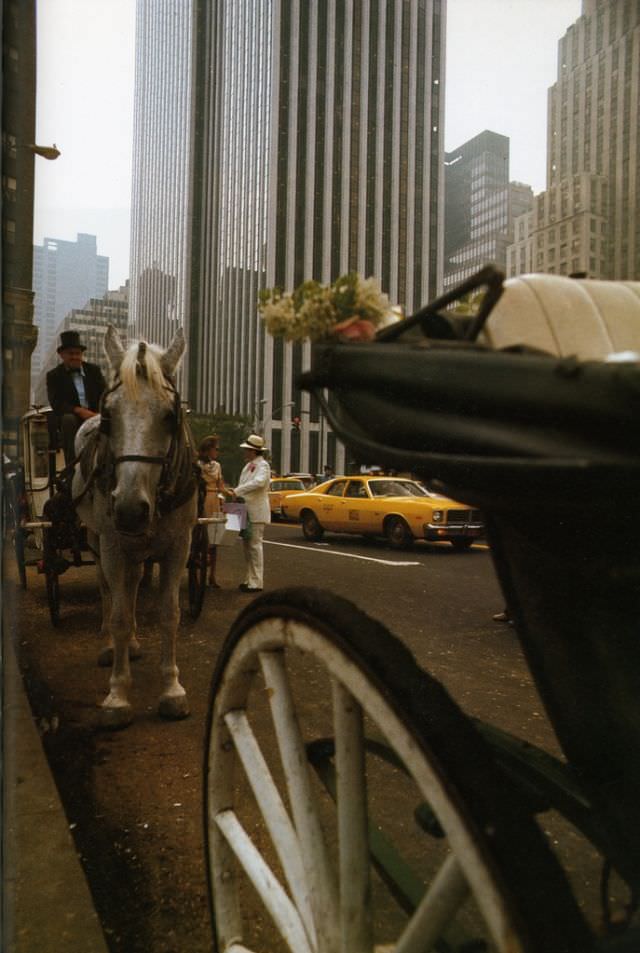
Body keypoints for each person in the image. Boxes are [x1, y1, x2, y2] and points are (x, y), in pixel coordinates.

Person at [46, 330, 107, 465]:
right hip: (72, 418)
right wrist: (79, 410)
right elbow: (56, 403)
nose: (75, 357)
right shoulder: (54, 375)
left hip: (95, 415)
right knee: (68, 420)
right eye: (70, 354)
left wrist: (98, 413)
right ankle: (72, 467)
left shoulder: (94, 370)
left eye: (77, 353)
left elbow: (105, 394)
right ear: (61, 355)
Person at [231, 434, 271, 593]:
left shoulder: (263, 466)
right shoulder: (247, 466)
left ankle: (256, 582)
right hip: (245, 509)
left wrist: (237, 490)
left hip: (256, 511)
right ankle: (249, 579)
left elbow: (259, 482)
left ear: (253, 451)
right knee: (247, 547)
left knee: (255, 546)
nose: (245, 452)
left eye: (247, 450)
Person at [197, 434, 227, 587]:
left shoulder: (217, 466)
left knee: (215, 540)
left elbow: (221, 486)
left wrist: (227, 495)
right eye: (216, 449)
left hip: (215, 500)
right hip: (201, 500)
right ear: (208, 449)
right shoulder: (196, 465)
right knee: (200, 538)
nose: (217, 452)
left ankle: (212, 576)